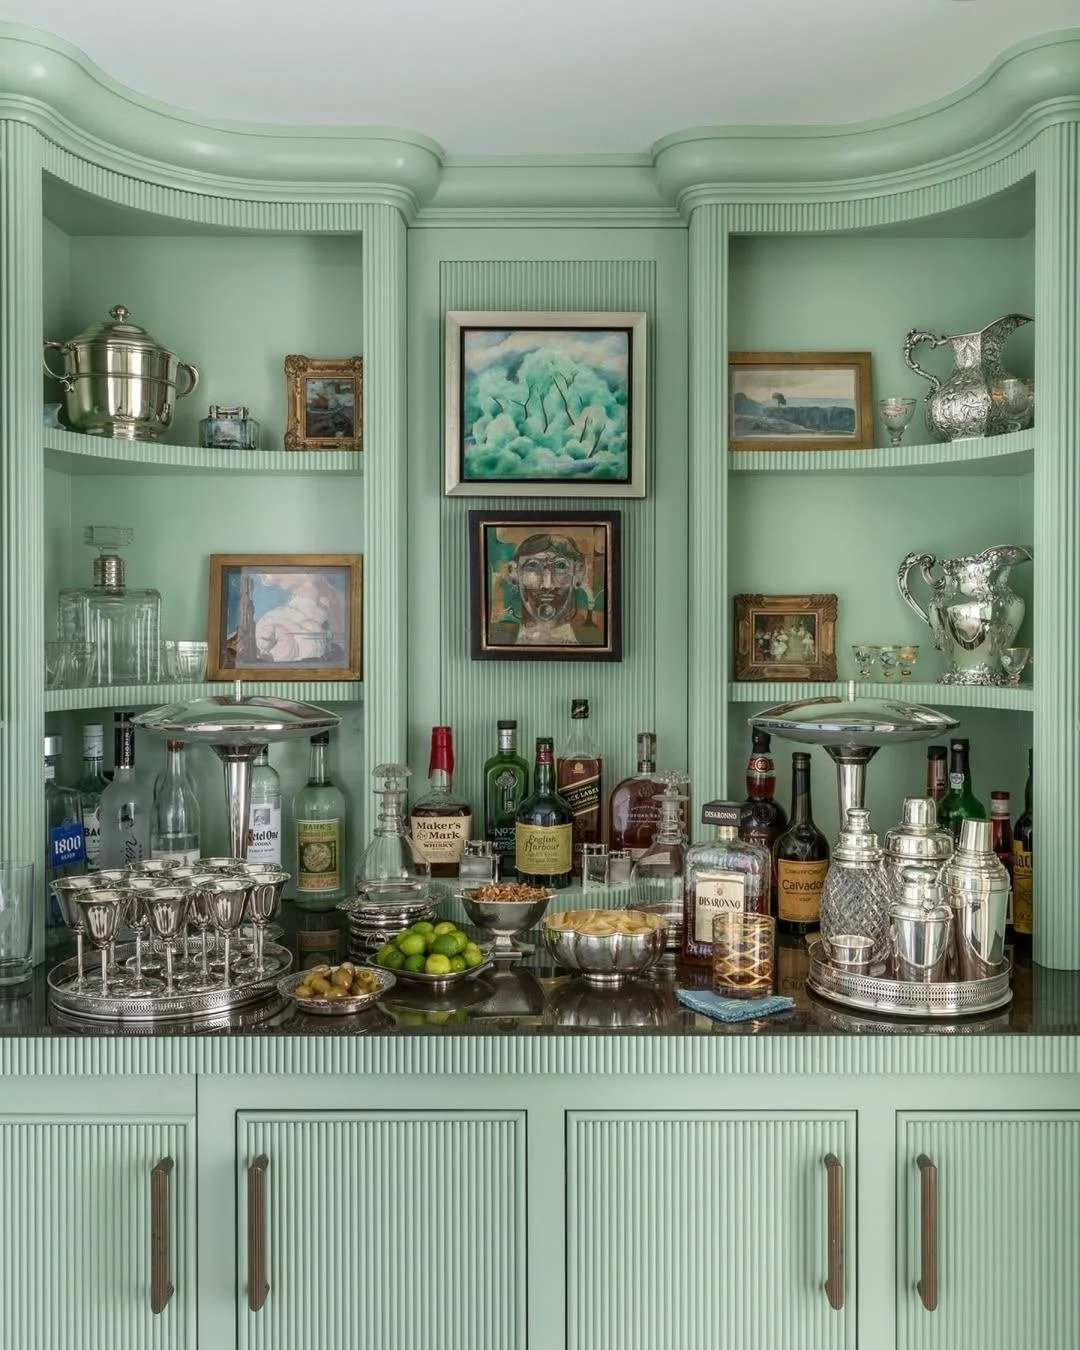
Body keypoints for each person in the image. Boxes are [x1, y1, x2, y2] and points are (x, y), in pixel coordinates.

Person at [488, 532, 604, 647]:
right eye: (532, 566)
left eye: (561, 566)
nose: (547, 585)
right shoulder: (496, 638)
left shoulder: (597, 639)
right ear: (514, 573)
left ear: (578, 574)